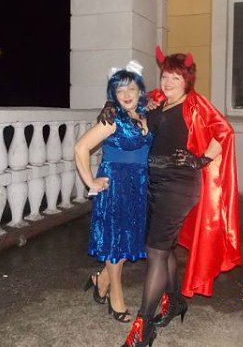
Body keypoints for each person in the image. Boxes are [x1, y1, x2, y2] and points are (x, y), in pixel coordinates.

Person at [115, 47, 242, 347]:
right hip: (154, 184)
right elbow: (131, 106)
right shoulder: (158, 101)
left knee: (155, 250)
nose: (168, 81)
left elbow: (224, 132)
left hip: (179, 186)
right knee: (166, 246)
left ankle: (144, 326)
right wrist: (113, 107)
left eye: (175, 77)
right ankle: (174, 302)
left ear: (187, 80)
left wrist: (201, 160)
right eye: (165, 76)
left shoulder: (195, 103)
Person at [75, 61, 153, 323]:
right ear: (114, 95)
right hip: (116, 185)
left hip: (139, 185)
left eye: (131, 88)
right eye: (120, 91)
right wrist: (91, 181)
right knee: (115, 241)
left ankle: (101, 280)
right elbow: (81, 148)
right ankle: (115, 295)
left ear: (140, 90)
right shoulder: (112, 119)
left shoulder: (144, 114)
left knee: (127, 238)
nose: (126, 95)